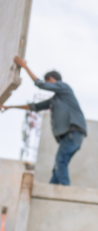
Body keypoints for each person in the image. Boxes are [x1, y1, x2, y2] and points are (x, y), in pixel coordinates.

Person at [1, 56, 87, 186]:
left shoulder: (64, 88)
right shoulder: (55, 100)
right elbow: (34, 107)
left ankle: (65, 190)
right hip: (69, 136)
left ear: (52, 80)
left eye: (49, 81)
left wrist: (25, 66)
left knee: (60, 161)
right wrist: (10, 107)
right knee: (58, 166)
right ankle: (51, 188)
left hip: (73, 132)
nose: (48, 84)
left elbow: (40, 84)